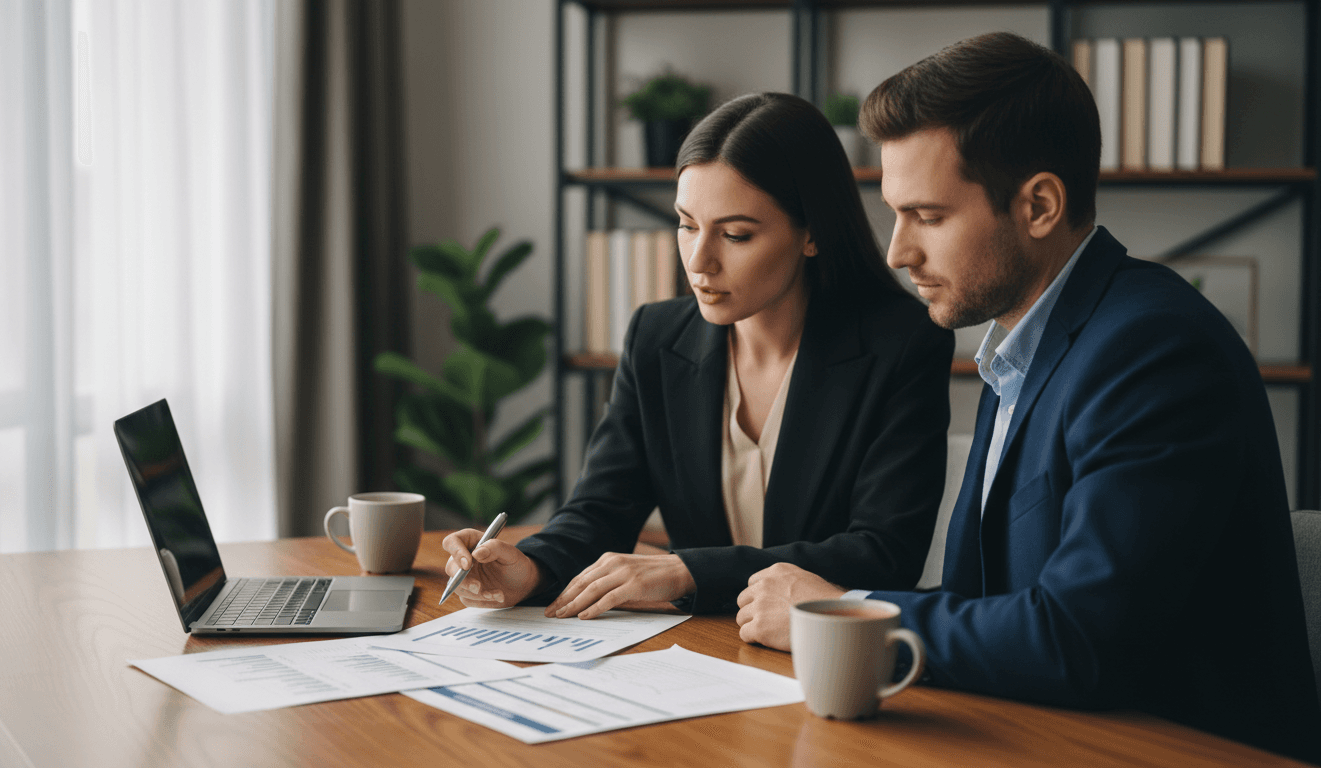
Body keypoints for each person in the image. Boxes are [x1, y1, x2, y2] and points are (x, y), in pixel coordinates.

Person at [735, 32, 1321, 763]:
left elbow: (1080, 638)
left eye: (929, 216)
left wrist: (841, 616)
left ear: (1039, 205)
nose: (897, 251)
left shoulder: (1156, 350)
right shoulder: (1024, 344)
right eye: (894, 213)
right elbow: (987, 602)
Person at [442, 92, 954, 619]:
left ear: (812, 234)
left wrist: (688, 570)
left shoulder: (903, 345)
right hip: (697, 652)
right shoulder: (656, 337)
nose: (699, 260)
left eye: (735, 234)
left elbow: (884, 553)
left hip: (821, 655)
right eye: (687, 224)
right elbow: (600, 510)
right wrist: (530, 567)